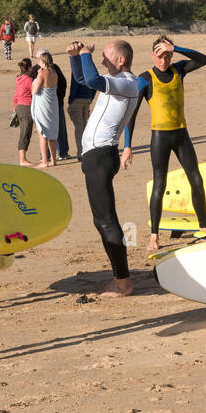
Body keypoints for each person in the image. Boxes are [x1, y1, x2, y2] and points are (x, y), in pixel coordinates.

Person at [70, 39, 143, 297]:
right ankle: (119, 277)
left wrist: (86, 54)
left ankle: (123, 282)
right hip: (97, 156)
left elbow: (91, 80)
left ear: (120, 60)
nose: (102, 61)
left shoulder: (127, 82)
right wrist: (75, 56)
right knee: (102, 219)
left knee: (106, 220)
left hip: (101, 156)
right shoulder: (119, 82)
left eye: (105, 56)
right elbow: (82, 79)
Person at [131, 35, 206, 251]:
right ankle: (154, 236)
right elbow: (132, 113)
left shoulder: (179, 70)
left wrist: (176, 47)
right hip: (160, 137)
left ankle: (204, 229)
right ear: (152, 55)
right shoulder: (145, 78)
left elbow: (203, 59)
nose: (164, 60)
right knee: (160, 183)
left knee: (196, 179)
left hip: (181, 134)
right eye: (160, 56)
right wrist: (127, 146)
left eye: (167, 55)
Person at [30, 49, 59, 167]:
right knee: (52, 134)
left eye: (39, 60)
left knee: (42, 134)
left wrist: (36, 78)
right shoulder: (54, 73)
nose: (38, 62)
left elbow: (35, 91)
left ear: (43, 61)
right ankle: (53, 160)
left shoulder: (42, 73)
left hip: (43, 105)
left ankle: (45, 161)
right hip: (53, 105)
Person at [13, 57, 36, 165]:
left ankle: (23, 158)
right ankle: (22, 159)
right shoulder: (28, 80)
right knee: (26, 132)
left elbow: (16, 95)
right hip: (26, 107)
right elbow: (35, 92)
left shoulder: (18, 78)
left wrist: (15, 107)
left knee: (24, 131)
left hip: (19, 107)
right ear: (30, 68)